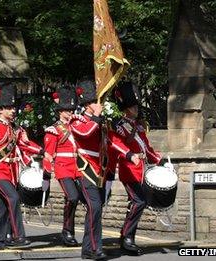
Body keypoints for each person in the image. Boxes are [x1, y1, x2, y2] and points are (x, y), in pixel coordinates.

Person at [70, 80, 140, 260]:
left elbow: (112, 141)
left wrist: (128, 154)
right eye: (95, 102)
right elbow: (85, 134)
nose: (99, 105)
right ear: (87, 105)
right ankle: (95, 248)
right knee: (95, 207)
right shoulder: (77, 120)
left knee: (95, 209)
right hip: (85, 169)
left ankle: (88, 248)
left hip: (99, 170)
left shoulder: (100, 121)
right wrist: (96, 118)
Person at [0, 82, 42, 250]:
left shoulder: (15, 129)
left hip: (11, 171)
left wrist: (42, 150)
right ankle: (18, 235)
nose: (13, 110)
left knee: (4, 206)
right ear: (0, 110)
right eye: (9, 107)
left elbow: (25, 144)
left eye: (13, 107)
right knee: (13, 198)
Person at [110, 81, 162, 256]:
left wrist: (158, 160)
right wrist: (129, 154)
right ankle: (126, 237)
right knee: (139, 201)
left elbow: (145, 147)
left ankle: (128, 237)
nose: (136, 109)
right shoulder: (120, 124)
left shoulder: (138, 125)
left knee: (138, 203)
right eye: (133, 106)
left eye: (136, 106)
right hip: (129, 169)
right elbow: (116, 143)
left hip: (141, 170)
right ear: (126, 108)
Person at [42, 86, 81, 247]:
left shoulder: (78, 126)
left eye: (72, 109)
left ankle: (70, 231)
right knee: (72, 197)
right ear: (60, 111)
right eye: (67, 109)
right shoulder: (54, 130)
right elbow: (48, 155)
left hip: (78, 167)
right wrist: (46, 176)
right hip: (63, 168)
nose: (70, 112)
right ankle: (66, 231)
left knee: (76, 200)